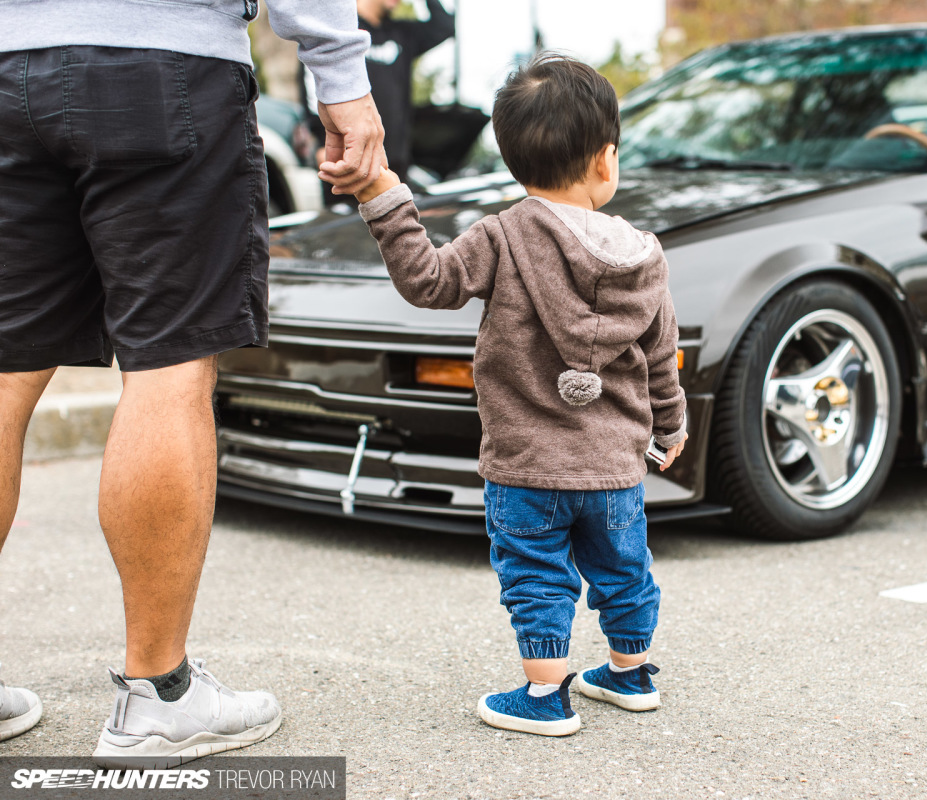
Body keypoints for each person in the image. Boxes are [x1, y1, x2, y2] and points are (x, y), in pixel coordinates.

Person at [0, 0, 384, 765]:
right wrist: (341, 74)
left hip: (8, 65)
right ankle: (160, 697)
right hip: (163, 61)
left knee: (3, 376)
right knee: (169, 368)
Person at [342, 54, 689, 737]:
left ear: (512, 159)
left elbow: (430, 283)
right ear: (606, 160)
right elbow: (659, 358)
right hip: (615, 465)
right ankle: (630, 673)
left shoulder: (502, 235)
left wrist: (384, 196)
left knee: (536, 574)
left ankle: (545, 695)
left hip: (527, 462)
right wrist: (670, 430)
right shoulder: (644, 255)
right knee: (624, 569)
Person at [302, 0, 455, 182]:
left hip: (394, 168)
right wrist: (321, 141)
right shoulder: (340, 33)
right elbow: (312, 85)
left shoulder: (402, 34)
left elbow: (444, 26)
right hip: (347, 162)